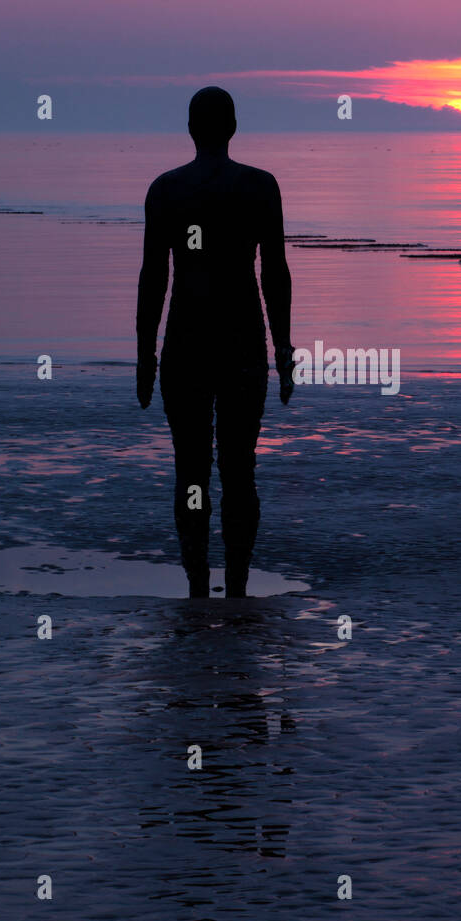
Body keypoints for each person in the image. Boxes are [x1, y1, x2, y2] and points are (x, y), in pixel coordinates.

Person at [136, 87, 294, 598]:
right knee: (239, 469)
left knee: (192, 469)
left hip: (184, 345)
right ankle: (236, 587)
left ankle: (199, 584)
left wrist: (145, 352)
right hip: (243, 344)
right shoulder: (260, 188)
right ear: (232, 128)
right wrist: (285, 350)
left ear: (190, 128)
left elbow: (153, 278)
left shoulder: (166, 191)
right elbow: (275, 274)